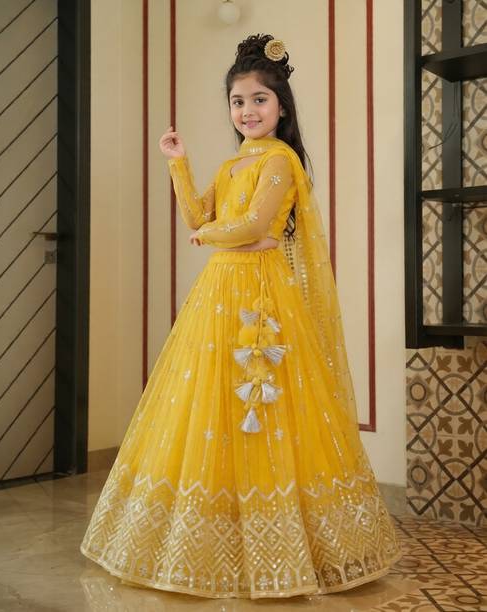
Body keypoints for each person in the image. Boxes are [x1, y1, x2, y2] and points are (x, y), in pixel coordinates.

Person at [80, 33, 403, 599]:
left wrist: (215, 236)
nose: (248, 111)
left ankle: (284, 550)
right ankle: (213, 541)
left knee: (265, 402)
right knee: (211, 404)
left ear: (281, 107)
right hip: (220, 291)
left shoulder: (279, 161)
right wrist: (178, 164)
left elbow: (252, 225)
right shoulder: (234, 164)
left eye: (259, 100)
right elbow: (199, 215)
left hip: (261, 297)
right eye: (238, 101)